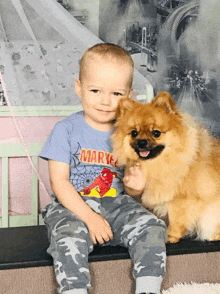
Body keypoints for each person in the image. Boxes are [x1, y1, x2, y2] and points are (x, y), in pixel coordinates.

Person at [40, 43, 166, 294]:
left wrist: (135, 189)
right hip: (73, 206)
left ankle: (148, 288)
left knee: (152, 225)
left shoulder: (130, 134)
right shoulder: (65, 130)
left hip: (116, 205)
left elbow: (131, 189)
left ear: (129, 95)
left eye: (117, 94)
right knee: (68, 237)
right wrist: (90, 218)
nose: (106, 101)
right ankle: (75, 290)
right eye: (95, 90)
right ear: (79, 88)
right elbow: (60, 183)